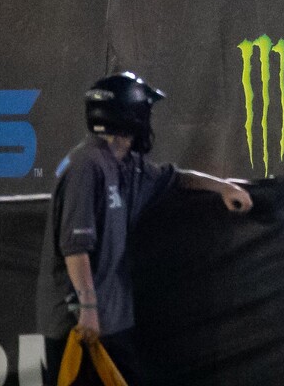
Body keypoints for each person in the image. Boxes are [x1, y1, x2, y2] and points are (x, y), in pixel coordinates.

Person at [38, 72, 252, 385]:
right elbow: (76, 248)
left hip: (111, 318)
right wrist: (88, 307)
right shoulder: (86, 166)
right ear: (129, 116)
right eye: (144, 112)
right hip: (79, 324)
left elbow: (174, 177)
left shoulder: (129, 165)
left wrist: (222, 187)